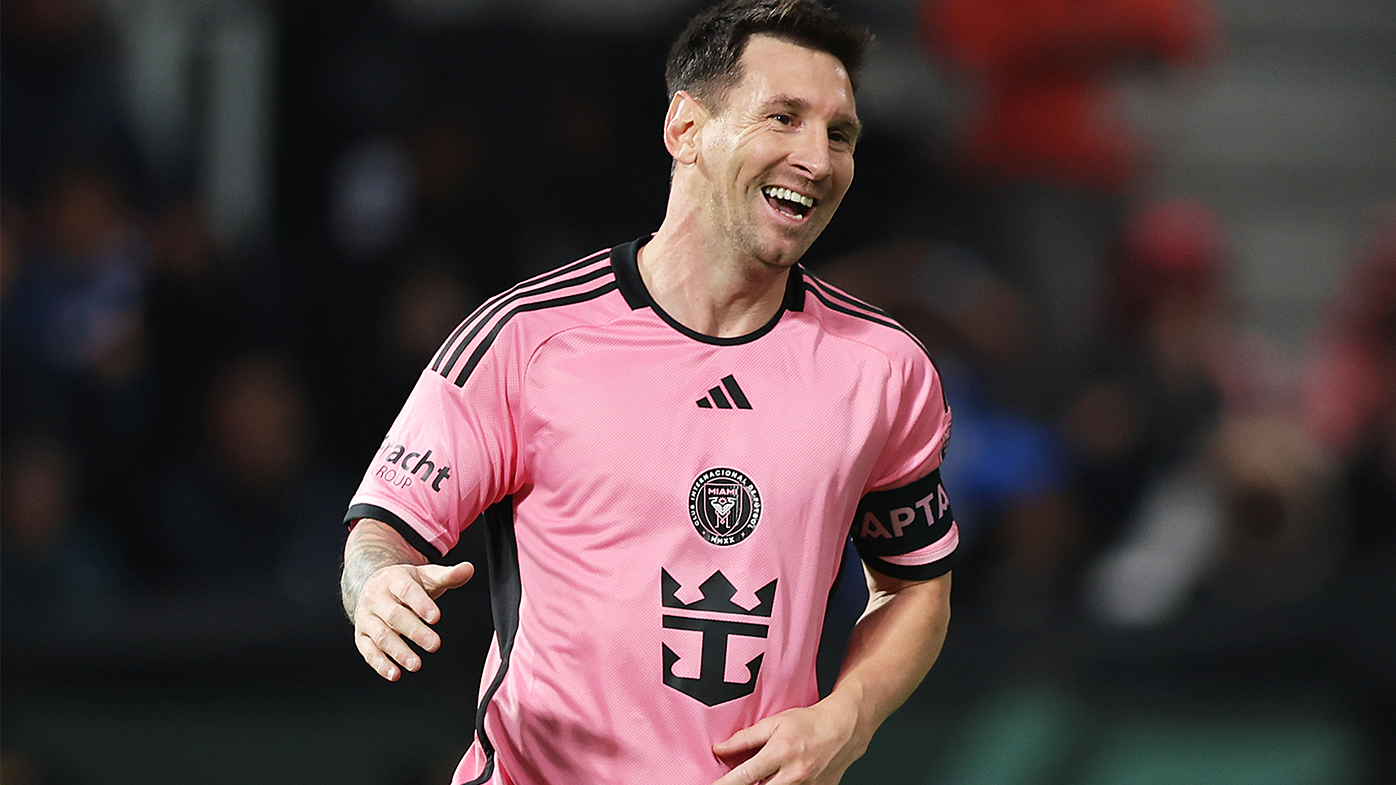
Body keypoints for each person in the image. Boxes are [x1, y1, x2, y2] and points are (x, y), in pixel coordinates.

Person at [339, 2, 957, 783]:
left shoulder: (883, 369)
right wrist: (379, 586)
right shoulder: (527, 340)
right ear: (685, 129)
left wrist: (848, 716)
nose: (817, 157)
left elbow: (914, 584)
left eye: (840, 135)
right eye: (784, 118)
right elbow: (382, 530)